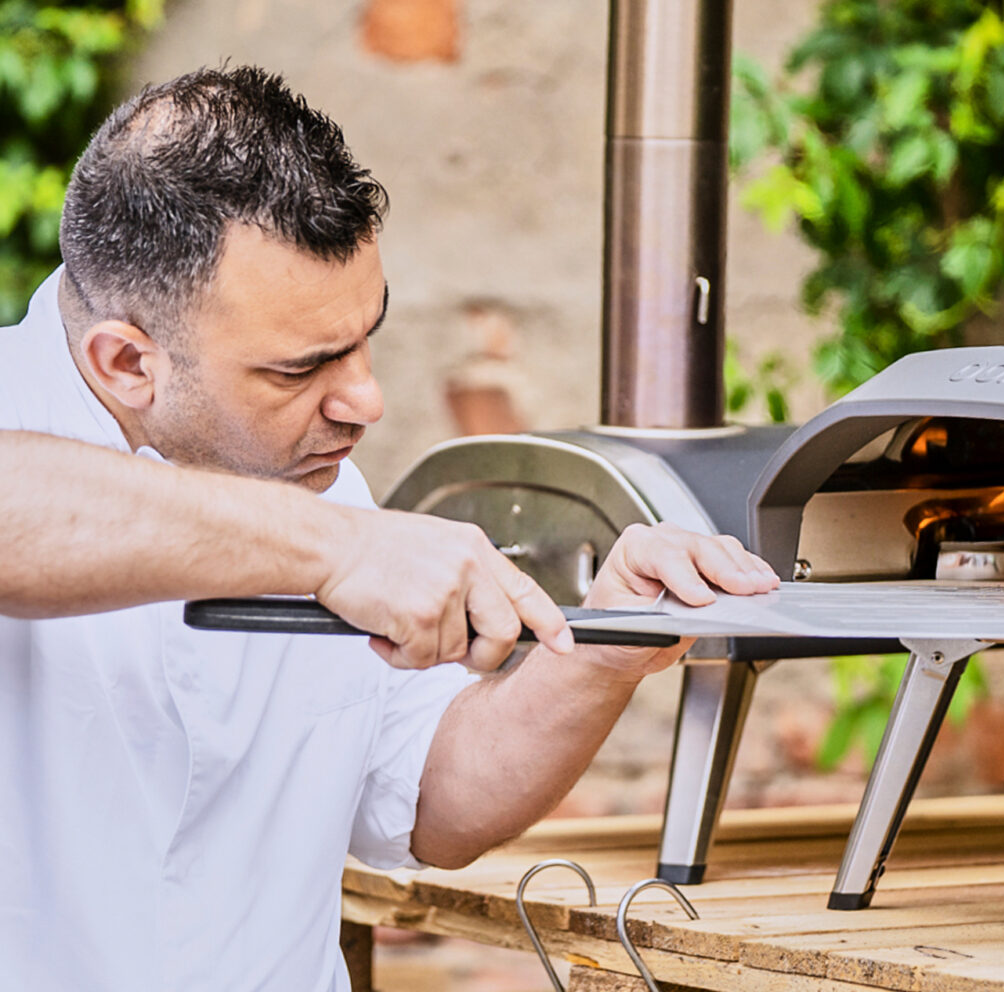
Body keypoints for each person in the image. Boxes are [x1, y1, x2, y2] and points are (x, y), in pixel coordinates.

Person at [0, 65, 779, 990]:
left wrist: (599, 653)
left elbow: (429, 804)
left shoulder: (322, 485)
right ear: (128, 362)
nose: (366, 398)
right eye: (302, 369)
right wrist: (335, 548)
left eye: (367, 335)